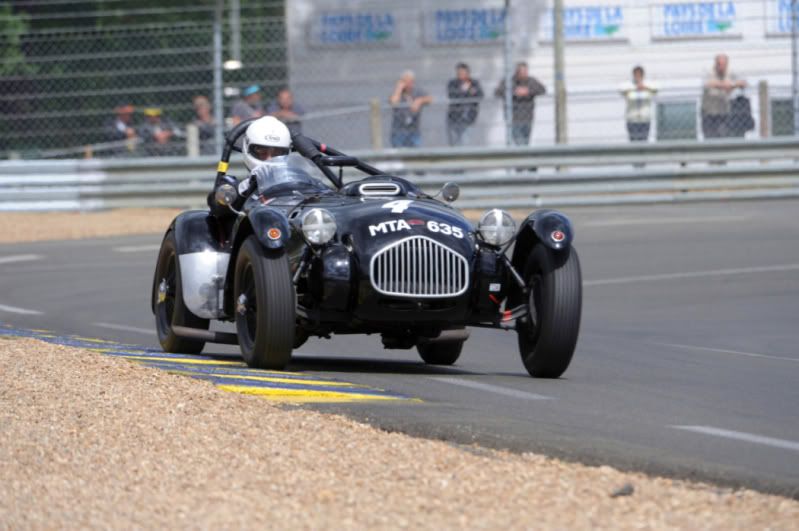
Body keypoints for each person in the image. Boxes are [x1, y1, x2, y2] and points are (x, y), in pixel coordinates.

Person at [494, 62, 546, 146]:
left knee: (525, 142)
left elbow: (542, 90)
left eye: (525, 72)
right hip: (513, 118)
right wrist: (514, 92)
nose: (523, 74)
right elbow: (497, 92)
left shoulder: (531, 81)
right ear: (516, 72)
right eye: (521, 72)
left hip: (528, 117)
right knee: (519, 142)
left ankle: (523, 154)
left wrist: (528, 91)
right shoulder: (509, 81)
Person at [701, 54, 746, 139]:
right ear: (715, 64)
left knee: (723, 137)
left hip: (724, 113)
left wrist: (732, 85)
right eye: (719, 64)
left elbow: (743, 83)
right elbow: (709, 84)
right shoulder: (708, 72)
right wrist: (726, 85)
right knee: (709, 138)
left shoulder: (730, 73)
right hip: (709, 114)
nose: (721, 67)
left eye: (724, 65)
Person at [389, 70, 433, 148]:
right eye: (405, 81)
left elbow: (430, 99)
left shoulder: (417, 91)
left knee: (415, 152)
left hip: (414, 130)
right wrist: (399, 88)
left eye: (410, 81)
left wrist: (419, 100)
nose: (408, 84)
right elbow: (393, 102)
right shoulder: (397, 92)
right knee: (399, 151)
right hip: (399, 131)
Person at [446, 62, 484, 146]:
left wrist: (467, 91)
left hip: (468, 118)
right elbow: (452, 95)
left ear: (468, 73)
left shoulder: (474, 83)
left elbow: (480, 95)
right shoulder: (452, 83)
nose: (460, 74)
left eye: (462, 72)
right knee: (453, 143)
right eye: (458, 73)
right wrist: (466, 91)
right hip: (454, 117)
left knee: (465, 142)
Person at [619, 66, 657, 142]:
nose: (637, 77)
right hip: (632, 119)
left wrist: (644, 87)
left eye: (639, 75)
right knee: (633, 140)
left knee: (644, 140)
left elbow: (656, 89)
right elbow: (622, 90)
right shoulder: (629, 84)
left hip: (645, 118)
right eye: (636, 75)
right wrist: (635, 88)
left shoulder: (648, 84)